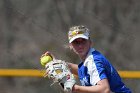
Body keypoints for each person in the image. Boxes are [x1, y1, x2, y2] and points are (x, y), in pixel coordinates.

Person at [67, 25, 131, 93]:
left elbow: (104, 89)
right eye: (76, 42)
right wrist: (66, 66)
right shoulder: (89, 61)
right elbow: (87, 72)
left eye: (83, 41)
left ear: (90, 42)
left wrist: (76, 88)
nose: (80, 45)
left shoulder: (93, 60)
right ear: (70, 45)